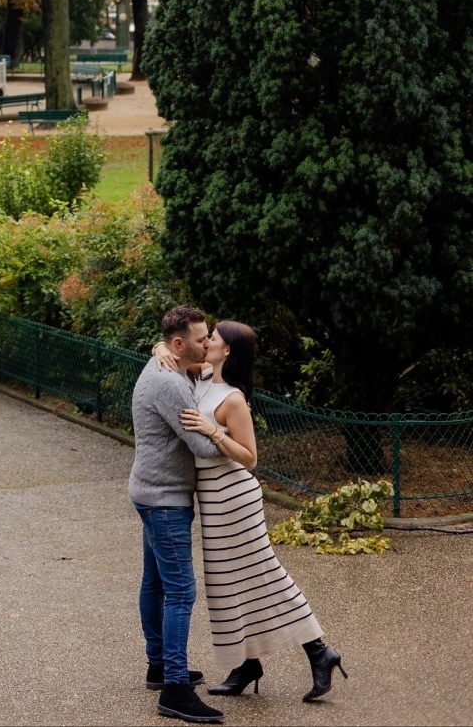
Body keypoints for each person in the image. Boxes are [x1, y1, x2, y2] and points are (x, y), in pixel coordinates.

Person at [153, 322, 348, 705]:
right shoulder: (205, 375)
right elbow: (173, 353)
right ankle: (247, 664)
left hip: (234, 497)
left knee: (262, 575)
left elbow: (251, 457)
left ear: (228, 351)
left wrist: (212, 433)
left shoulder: (233, 399)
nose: (207, 342)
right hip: (211, 498)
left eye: (214, 339)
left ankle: (318, 650)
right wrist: (160, 348)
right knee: (227, 584)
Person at [130, 305, 225, 725]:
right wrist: (225, 432)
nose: (208, 343)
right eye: (202, 338)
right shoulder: (170, 382)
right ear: (178, 344)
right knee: (181, 592)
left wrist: (158, 349)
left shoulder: (166, 366)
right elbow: (203, 447)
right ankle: (174, 688)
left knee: (155, 582)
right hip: (165, 500)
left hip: (150, 492)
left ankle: (158, 666)